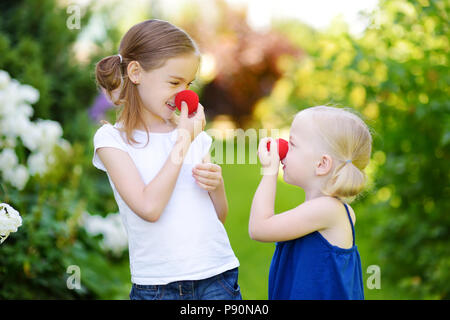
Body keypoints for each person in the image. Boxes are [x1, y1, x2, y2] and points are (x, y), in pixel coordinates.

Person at [92, 19, 240, 300]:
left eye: (189, 83)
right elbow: (149, 207)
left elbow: (218, 216)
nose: (185, 93)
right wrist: (183, 141)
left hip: (217, 277)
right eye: (174, 82)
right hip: (158, 287)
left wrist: (216, 185)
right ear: (135, 72)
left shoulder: (194, 135)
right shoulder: (112, 140)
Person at [249, 106, 372, 300]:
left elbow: (258, 228)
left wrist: (269, 171)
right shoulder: (326, 210)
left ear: (322, 164)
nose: (283, 148)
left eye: (292, 144)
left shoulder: (328, 210)